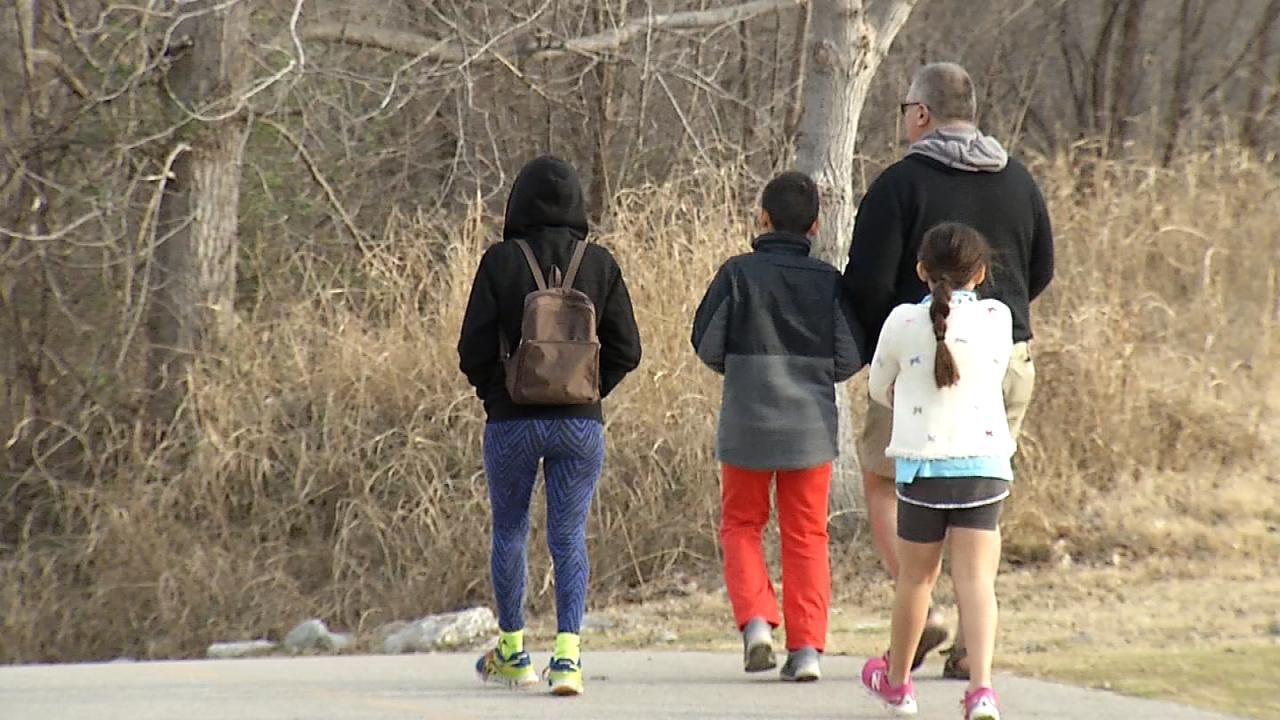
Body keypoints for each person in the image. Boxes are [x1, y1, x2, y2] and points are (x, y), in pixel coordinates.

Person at [843, 62, 1054, 677]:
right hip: (1008, 354)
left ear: (923, 114)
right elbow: (1041, 270)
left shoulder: (899, 186)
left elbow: (866, 281)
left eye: (904, 109)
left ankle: (920, 602)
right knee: (983, 489)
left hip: (918, 357)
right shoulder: (1018, 179)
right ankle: (971, 644)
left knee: (884, 475)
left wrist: (897, 334)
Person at [457, 155, 642, 696]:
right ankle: (568, 658)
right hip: (579, 427)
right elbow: (628, 349)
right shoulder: (600, 263)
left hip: (512, 421)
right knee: (568, 536)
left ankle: (513, 651)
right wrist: (587, 392)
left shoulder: (500, 261)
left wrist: (499, 393)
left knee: (510, 530)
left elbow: (471, 349)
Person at [691, 171, 864, 682]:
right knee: (807, 534)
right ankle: (807, 648)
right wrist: (811, 376)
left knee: (742, 525)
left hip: (745, 421)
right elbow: (850, 355)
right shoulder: (829, 282)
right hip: (809, 429)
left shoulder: (736, 275)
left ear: (762, 218)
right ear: (815, 225)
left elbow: (705, 343)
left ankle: (757, 624)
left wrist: (742, 373)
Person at [859, 223, 1012, 720]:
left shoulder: (902, 321)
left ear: (921, 270)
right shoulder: (998, 316)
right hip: (984, 466)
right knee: (976, 581)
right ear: (982, 273)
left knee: (916, 580)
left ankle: (899, 684)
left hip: (924, 469)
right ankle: (981, 690)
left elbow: (879, 385)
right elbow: (998, 370)